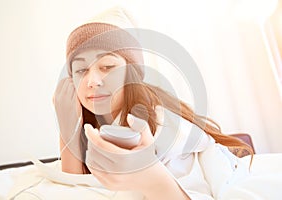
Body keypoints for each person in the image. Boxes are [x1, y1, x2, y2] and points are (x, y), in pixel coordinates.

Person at [53, 7, 281, 200]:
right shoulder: (90, 125)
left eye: (107, 67)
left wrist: (152, 177)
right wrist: (67, 126)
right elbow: (76, 187)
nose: (92, 81)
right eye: (81, 70)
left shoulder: (161, 121)